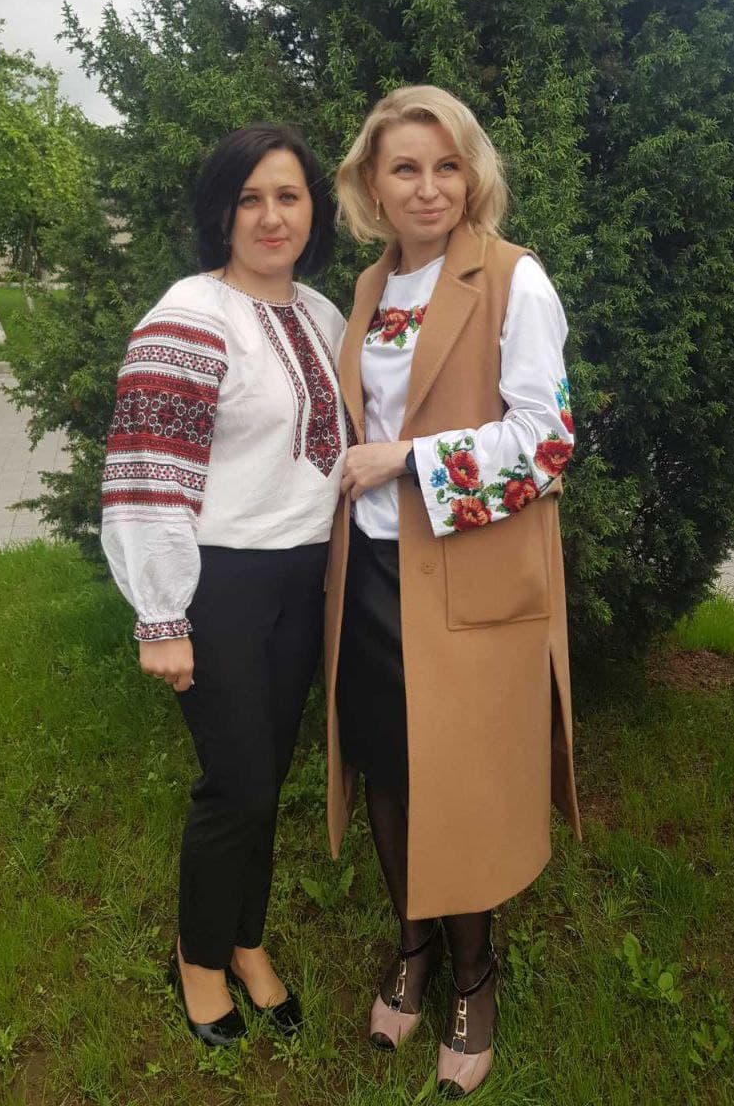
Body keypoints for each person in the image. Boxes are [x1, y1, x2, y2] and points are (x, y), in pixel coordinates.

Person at [323, 86, 582, 1097]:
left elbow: (547, 444)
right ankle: (414, 943)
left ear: (472, 175)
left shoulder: (513, 277)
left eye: (447, 166)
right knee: (389, 766)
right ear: (372, 184)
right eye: (405, 168)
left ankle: (475, 976)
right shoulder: (368, 286)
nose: (428, 187)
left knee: (458, 778)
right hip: (371, 571)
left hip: (464, 576)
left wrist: (404, 460)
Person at [100, 124, 345, 1047]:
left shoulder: (323, 316)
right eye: (250, 199)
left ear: (313, 210)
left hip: (305, 575)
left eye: (288, 196)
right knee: (236, 782)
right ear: (222, 212)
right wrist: (161, 613)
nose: (271, 217)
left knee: (267, 774)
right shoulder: (189, 314)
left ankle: (247, 940)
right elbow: (145, 470)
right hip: (221, 582)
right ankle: (199, 956)